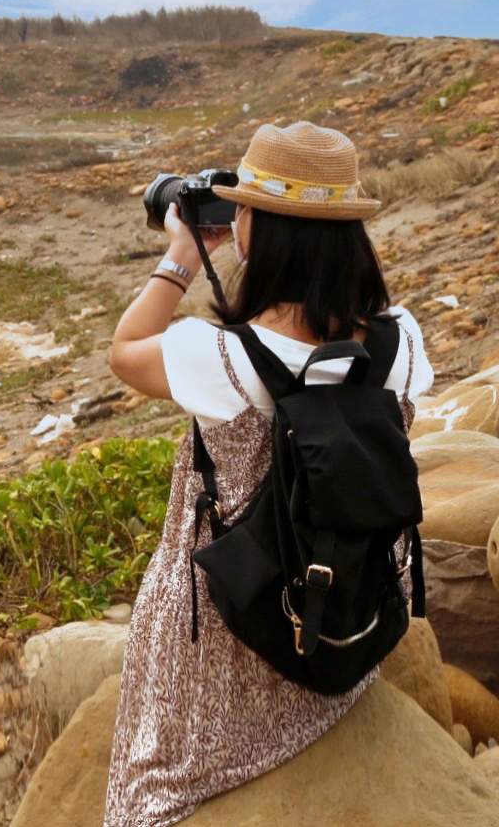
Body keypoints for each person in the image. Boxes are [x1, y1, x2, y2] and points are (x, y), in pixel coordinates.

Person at [99, 122, 434, 827]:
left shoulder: (217, 356)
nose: (236, 218)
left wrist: (183, 256)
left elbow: (125, 351)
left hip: (236, 635)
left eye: (244, 208)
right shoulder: (402, 342)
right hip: (342, 612)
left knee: (145, 796)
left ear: (264, 231)